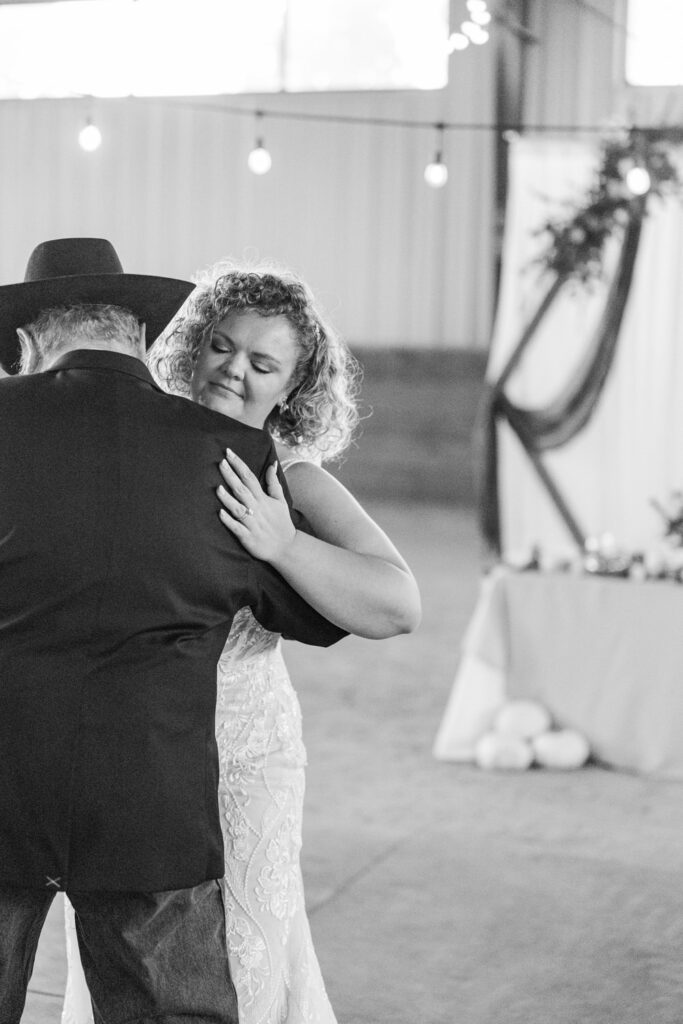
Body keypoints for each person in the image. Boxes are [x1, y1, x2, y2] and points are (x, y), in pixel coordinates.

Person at [63, 261, 422, 1024]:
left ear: (293, 388)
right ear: (191, 345)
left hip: (243, 750)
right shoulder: (139, 443)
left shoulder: (293, 477)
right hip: (132, 749)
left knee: (242, 950)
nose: (233, 371)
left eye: (262, 364)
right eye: (221, 347)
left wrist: (282, 543)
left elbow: (397, 604)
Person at [0, 238, 346, 1024]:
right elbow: (312, 614)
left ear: (27, 341)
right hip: (149, 803)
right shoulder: (233, 454)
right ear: (139, 334)